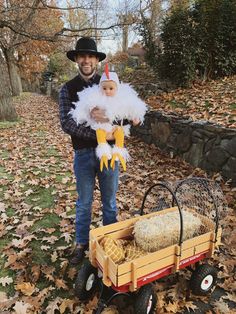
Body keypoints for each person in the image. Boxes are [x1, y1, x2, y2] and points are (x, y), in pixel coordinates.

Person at [59, 37, 119, 264]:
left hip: (109, 153)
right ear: (76, 59)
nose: (86, 60)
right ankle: (81, 243)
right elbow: (67, 123)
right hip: (83, 154)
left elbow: (120, 111)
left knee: (110, 202)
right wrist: (97, 135)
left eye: (90, 56)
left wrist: (109, 119)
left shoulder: (107, 84)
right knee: (84, 202)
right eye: (82, 56)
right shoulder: (68, 89)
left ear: (96, 59)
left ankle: (110, 242)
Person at [70, 64, 147, 172]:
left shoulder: (123, 99)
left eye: (111, 88)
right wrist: (90, 112)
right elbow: (77, 117)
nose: (107, 91)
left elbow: (130, 111)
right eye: (104, 88)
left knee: (119, 131)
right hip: (96, 135)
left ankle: (118, 151)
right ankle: (103, 151)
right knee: (100, 131)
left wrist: (135, 118)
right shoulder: (94, 98)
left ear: (117, 88)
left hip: (115, 130)